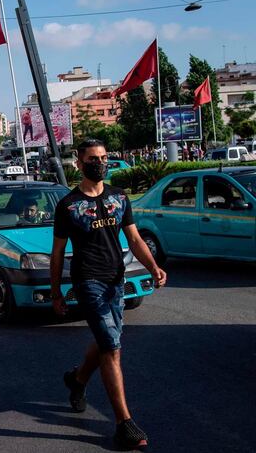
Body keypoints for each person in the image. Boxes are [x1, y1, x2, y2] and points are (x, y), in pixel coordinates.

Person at [50, 139, 167, 451]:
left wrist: (153, 266)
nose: (99, 163)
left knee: (107, 341)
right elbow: (58, 252)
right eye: (92, 158)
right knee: (112, 347)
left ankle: (77, 380)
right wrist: (56, 292)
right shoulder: (69, 206)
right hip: (89, 282)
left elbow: (134, 238)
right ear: (79, 163)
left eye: (103, 157)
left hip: (116, 280)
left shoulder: (119, 197)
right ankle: (123, 423)